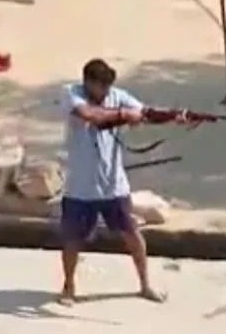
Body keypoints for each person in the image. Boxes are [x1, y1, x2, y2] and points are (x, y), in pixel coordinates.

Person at [59, 58, 194, 305]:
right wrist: (124, 115)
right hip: (80, 187)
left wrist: (176, 116)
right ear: (88, 83)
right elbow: (91, 116)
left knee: (132, 233)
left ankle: (145, 285)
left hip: (114, 185)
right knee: (73, 240)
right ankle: (68, 287)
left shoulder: (118, 96)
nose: (106, 92)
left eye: (107, 86)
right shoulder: (72, 93)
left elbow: (145, 113)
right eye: (101, 86)